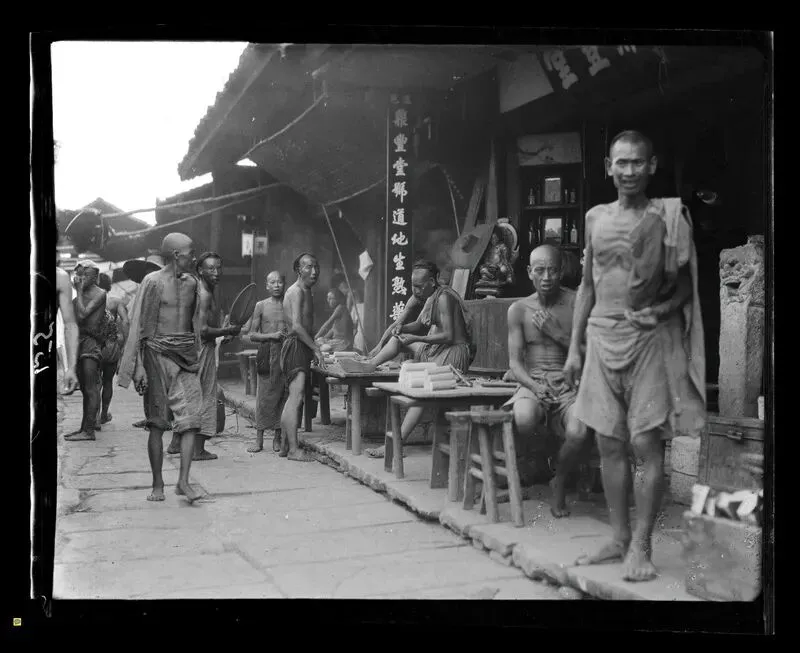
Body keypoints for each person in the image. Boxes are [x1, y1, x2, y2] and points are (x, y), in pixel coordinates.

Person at [563, 131, 706, 582]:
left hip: (648, 339)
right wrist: (574, 348)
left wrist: (659, 312)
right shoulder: (594, 217)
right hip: (601, 336)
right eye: (621, 163)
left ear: (652, 165)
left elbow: (686, 286)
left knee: (645, 442)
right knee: (608, 442)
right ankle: (619, 537)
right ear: (608, 167)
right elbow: (587, 284)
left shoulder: (669, 216)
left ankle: (642, 546)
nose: (629, 171)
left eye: (637, 162)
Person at [117, 233, 208, 503]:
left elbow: (196, 322)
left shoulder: (193, 283)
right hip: (156, 355)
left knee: (191, 422)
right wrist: (138, 367)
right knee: (157, 424)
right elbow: (139, 325)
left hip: (186, 356)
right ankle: (158, 484)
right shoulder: (152, 282)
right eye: (191, 252)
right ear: (177, 254)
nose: (194, 257)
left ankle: (183, 482)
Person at [504, 245, 588, 518]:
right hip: (534, 383)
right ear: (530, 272)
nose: (547, 277)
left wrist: (557, 334)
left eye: (552, 270)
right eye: (540, 270)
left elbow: (591, 353)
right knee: (524, 418)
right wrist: (534, 386)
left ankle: (559, 480)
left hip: (570, 385)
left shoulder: (576, 303)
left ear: (561, 271)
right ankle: (544, 459)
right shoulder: (518, 310)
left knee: (578, 432)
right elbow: (515, 364)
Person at [364, 259, 474, 459]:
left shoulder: (444, 298)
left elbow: (449, 336)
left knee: (423, 389)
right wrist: (403, 328)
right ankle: (369, 365)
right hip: (437, 349)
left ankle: (397, 443)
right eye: (412, 286)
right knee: (398, 339)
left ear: (432, 281)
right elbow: (419, 325)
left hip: (453, 353)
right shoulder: (431, 296)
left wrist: (417, 338)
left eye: (419, 286)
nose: (415, 291)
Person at [167, 252, 241, 461]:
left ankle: (176, 443)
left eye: (219, 268)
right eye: (211, 268)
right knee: (205, 396)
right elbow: (203, 330)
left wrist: (223, 332)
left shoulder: (199, 289)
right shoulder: (204, 293)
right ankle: (197, 450)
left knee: (189, 396)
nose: (216, 272)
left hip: (191, 348)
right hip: (200, 349)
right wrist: (227, 331)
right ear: (200, 270)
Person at [279, 253, 325, 462]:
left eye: (316, 267)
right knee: (295, 399)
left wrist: (313, 345)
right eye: (308, 267)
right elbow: (297, 326)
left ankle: (284, 446)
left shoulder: (306, 291)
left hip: (301, 346)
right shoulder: (296, 291)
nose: (314, 272)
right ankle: (293, 450)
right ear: (299, 269)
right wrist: (315, 348)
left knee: (293, 398)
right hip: (295, 346)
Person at [64, 260, 107, 442]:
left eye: (86, 275)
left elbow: (82, 315)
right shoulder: (78, 297)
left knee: (90, 387)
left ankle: (89, 430)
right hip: (81, 342)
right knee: (85, 389)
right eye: (80, 274)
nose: (82, 278)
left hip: (91, 343)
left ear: (95, 276)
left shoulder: (100, 293)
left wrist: (79, 291)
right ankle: (84, 428)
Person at [247, 271, 289, 453]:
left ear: (284, 284)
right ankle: (259, 440)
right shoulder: (261, 305)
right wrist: (272, 335)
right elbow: (252, 334)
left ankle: (277, 438)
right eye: (272, 282)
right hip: (267, 353)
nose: (276, 285)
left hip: (285, 354)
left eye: (279, 282)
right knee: (263, 398)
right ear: (267, 285)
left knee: (282, 395)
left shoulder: (289, 304)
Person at [95, 273, 128, 425]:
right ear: (108, 285)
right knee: (108, 381)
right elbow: (125, 321)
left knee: (95, 383)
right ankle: (103, 414)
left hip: (94, 345)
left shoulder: (89, 302)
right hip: (111, 346)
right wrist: (124, 344)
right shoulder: (115, 301)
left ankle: (95, 418)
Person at [315, 288, 354, 353]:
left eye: (331, 298)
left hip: (343, 343)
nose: (328, 300)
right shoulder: (339, 309)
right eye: (328, 298)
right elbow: (333, 329)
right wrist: (323, 338)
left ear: (338, 299)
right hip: (339, 341)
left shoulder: (341, 308)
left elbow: (327, 324)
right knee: (319, 341)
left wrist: (315, 337)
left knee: (316, 345)